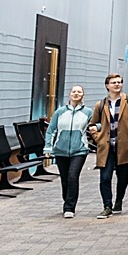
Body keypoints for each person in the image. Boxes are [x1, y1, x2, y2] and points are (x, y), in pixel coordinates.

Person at [89, 72, 128, 219]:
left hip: (124, 146)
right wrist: (98, 138)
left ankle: (119, 201)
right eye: (114, 82)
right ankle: (106, 206)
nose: (117, 85)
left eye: (119, 82)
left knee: (122, 177)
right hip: (106, 147)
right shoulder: (100, 104)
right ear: (107, 86)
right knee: (105, 177)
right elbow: (92, 125)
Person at [44, 85, 94, 219]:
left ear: (83, 95)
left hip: (80, 150)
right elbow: (51, 130)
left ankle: (69, 207)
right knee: (65, 179)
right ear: (70, 94)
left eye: (79, 92)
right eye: (74, 91)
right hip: (60, 150)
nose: (76, 94)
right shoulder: (60, 112)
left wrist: (96, 127)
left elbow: (97, 124)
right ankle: (67, 200)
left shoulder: (88, 112)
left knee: (73, 176)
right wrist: (48, 148)